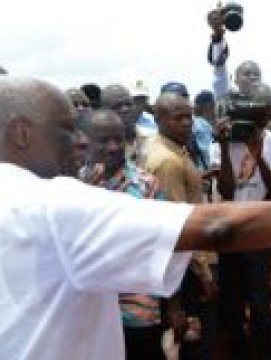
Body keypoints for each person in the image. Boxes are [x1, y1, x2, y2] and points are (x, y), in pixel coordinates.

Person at [0, 77, 271, 360]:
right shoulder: (54, 203)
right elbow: (216, 226)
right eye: (68, 128)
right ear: (21, 132)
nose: (81, 141)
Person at [211, 82, 271, 360]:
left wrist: (258, 155)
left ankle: (268, 353)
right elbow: (227, 191)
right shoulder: (225, 142)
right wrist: (222, 145)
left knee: (258, 301)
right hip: (231, 230)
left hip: (260, 230)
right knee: (231, 301)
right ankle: (239, 351)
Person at [81, 110, 166, 360]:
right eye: (104, 140)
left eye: (119, 139)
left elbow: (165, 246)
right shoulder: (67, 186)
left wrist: (173, 305)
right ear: (84, 140)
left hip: (137, 311)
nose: (114, 147)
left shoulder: (146, 185)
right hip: (88, 312)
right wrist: (84, 193)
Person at [141, 91, 217, 360]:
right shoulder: (168, 161)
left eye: (189, 117)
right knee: (195, 338)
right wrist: (204, 271)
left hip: (181, 265)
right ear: (159, 118)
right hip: (185, 268)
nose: (186, 123)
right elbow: (179, 227)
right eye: (178, 118)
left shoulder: (168, 148)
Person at [100, 84, 141, 161]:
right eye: (117, 106)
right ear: (103, 112)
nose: (125, 109)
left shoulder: (151, 138)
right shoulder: (99, 149)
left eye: (128, 104)